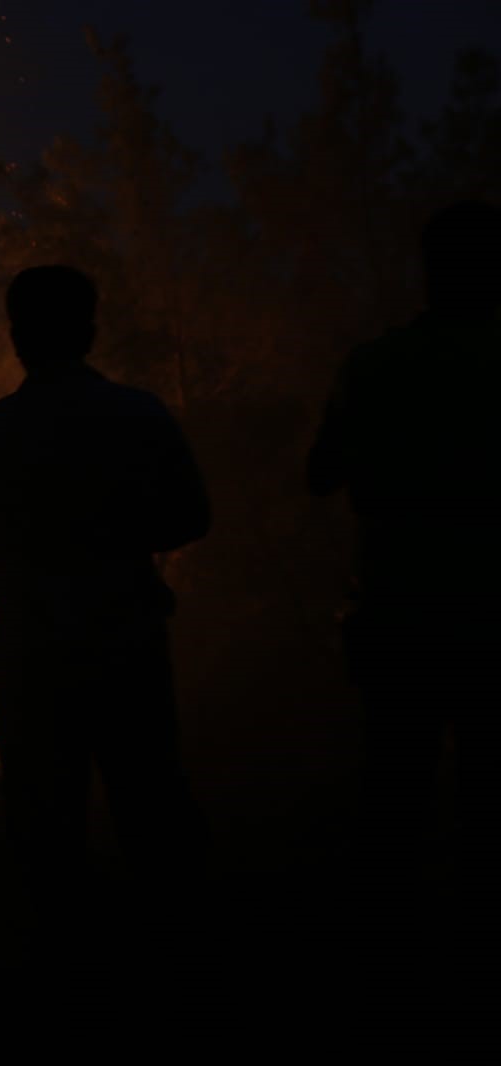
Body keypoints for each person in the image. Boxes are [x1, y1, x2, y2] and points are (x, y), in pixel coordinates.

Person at [0, 265, 209, 906]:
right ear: (88, 330)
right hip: (125, 635)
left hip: (31, 644)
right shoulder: (138, 415)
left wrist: (31, 540)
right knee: (148, 805)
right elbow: (192, 515)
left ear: (18, 338)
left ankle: (59, 959)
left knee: (41, 818)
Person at [307, 200, 501, 896]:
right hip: (489, 616)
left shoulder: (375, 365)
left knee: (393, 798)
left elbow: (319, 474)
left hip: (399, 613)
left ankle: (386, 969)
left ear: (427, 274)